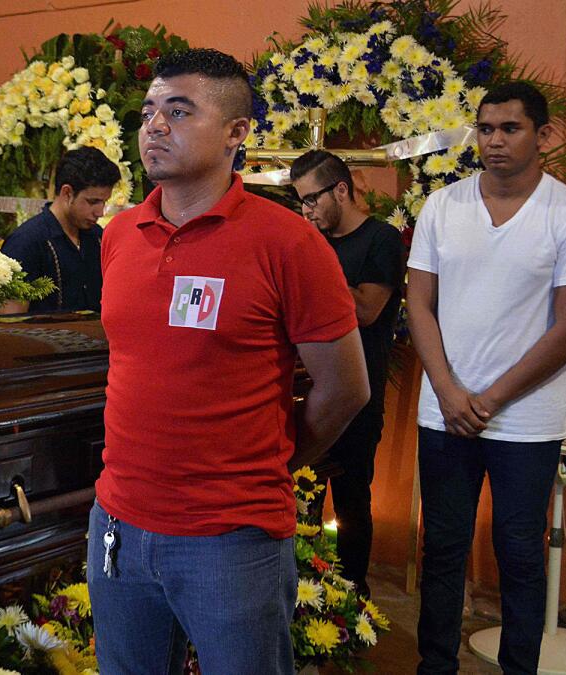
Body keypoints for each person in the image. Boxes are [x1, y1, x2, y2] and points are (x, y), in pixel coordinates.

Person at [89, 48, 370, 674]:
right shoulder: (118, 236)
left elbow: (346, 386)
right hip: (118, 522)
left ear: (237, 133)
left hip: (230, 536)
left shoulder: (288, 242)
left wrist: (275, 458)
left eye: (180, 111)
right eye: (149, 112)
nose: (155, 126)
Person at [407, 81, 566, 675]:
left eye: (511, 128)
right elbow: (419, 304)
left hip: (525, 418)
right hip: (444, 412)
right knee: (442, 550)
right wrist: (450, 391)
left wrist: (492, 398)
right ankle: (435, 665)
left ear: (543, 135)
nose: (495, 140)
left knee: (522, 556)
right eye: (486, 129)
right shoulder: (443, 206)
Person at [290, 149, 404, 598]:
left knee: (353, 500)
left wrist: (313, 266)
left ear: (341, 189)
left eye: (313, 199)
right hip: (306, 391)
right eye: (300, 202)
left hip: (359, 393)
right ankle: (304, 594)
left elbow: (368, 309)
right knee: (303, 501)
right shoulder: (313, 239)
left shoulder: (381, 240)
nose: (307, 210)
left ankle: (353, 598)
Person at [0, 147, 120, 313]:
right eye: (93, 202)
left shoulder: (97, 237)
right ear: (67, 193)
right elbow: (11, 324)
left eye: (103, 202)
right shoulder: (25, 243)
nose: (100, 212)